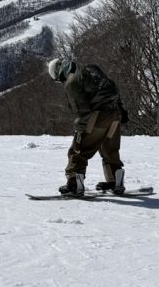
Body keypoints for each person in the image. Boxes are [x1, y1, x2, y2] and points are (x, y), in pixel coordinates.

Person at [47, 56, 129, 195]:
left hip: (98, 116)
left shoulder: (71, 82)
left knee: (78, 150)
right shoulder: (89, 72)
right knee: (110, 149)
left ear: (59, 73)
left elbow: (83, 111)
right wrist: (121, 111)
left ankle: (74, 184)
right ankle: (116, 182)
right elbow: (112, 89)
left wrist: (79, 131)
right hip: (115, 114)